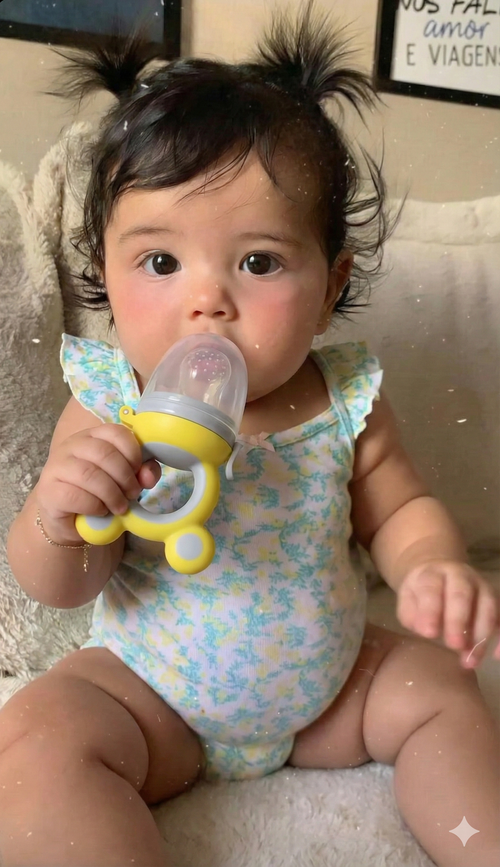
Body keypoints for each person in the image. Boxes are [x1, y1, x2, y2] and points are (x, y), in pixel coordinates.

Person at [2, 2, 499, 866]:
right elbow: (61, 586)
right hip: (151, 698)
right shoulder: (111, 404)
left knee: (442, 689)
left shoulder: (342, 400)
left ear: (330, 285)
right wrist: (61, 512)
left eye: (259, 261)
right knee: (37, 733)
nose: (208, 301)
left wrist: (430, 567)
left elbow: (399, 510)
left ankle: (480, 843)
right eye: (161, 262)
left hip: (330, 694)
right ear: (104, 274)